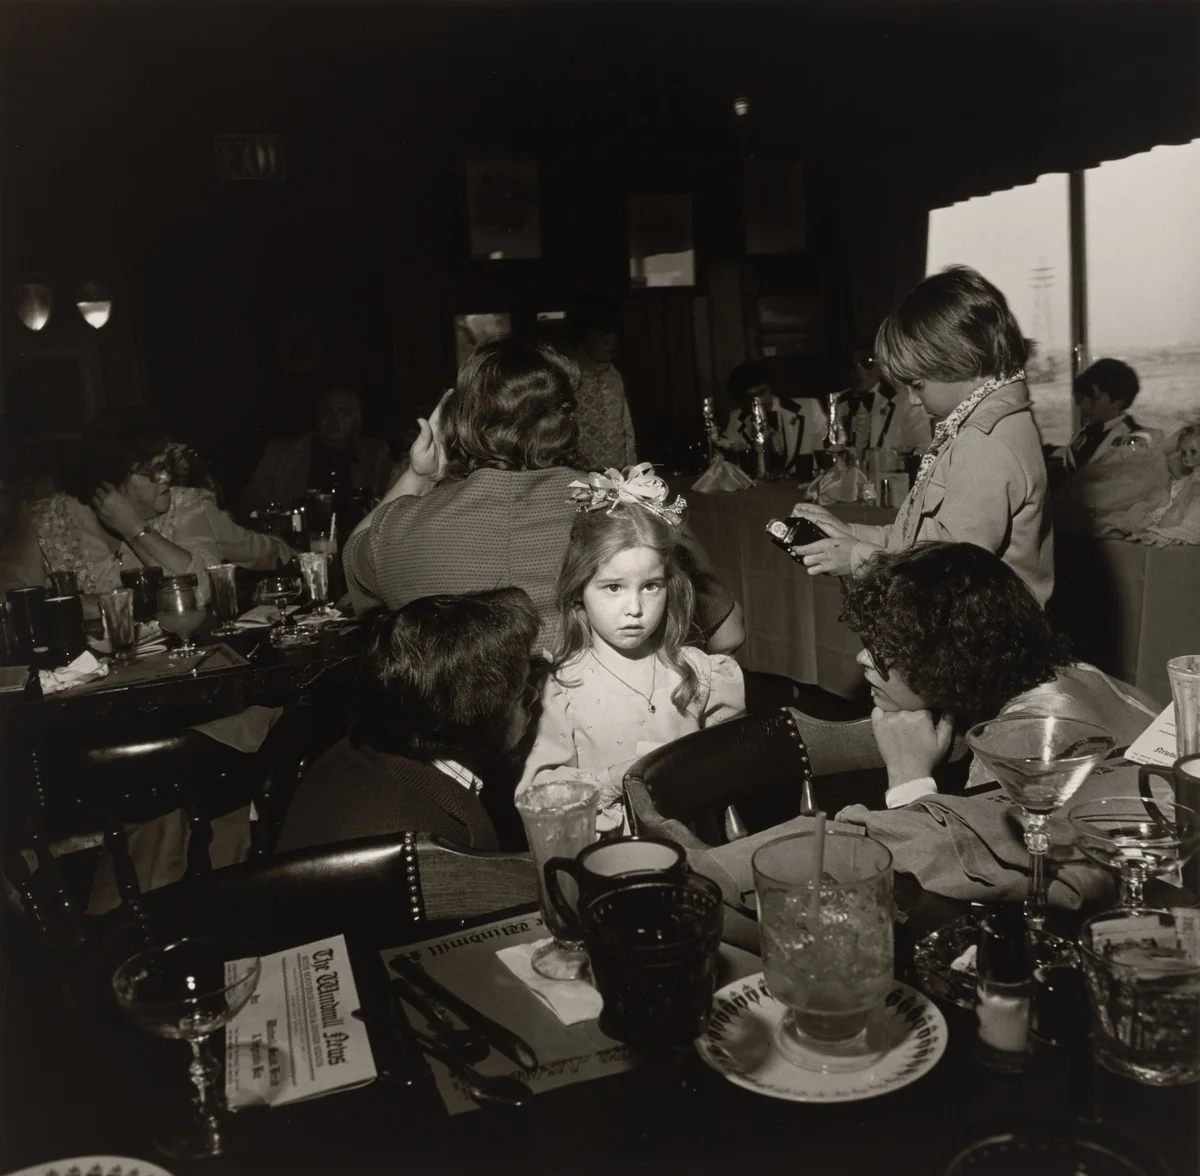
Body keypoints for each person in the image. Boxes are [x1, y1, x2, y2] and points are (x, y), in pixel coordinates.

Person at [343, 336, 744, 654]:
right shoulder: (634, 510)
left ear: (457, 425)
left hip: (458, 734)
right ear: (567, 421)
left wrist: (419, 476)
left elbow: (353, 558)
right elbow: (728, 634)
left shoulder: (396, 529)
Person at [825, 542, 1157, 904]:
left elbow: (972, 879)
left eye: (885, 652)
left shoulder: (1016, 739)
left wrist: (909, 779)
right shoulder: (1080, 674)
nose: (862, 659)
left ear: (946, 662)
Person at [788, 266, 1054, 606]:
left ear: (964, 361)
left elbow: (949, 575)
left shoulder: (983, 442)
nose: (913, 400)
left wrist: (855, 558)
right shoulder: (989, 426)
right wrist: (848, 534)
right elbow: (922, 540)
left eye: (917, 385)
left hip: (977, 633)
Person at [516, 475, 744, 831]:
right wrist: (615, 779)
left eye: (650, 586)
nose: (635, 608)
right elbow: (539, 795)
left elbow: (732, 767)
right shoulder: (562, 688)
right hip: (611, 848)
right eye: (613, 588)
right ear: (579, 591)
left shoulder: (700, 671)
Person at [277, 588, 539, 853]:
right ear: (478, 718)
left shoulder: (345, 755)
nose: (534, 695)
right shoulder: (439, 838)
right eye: (520, 694)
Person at [0, 413, 294, 612]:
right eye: (155, 469)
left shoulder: (184, 506)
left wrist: (134, 528)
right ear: (110, 478)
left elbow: (202, 591)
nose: (167, 478)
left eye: (166, 465)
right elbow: (15, 602)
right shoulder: (44, 519)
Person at [239, 381, 395, 516]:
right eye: (327, 410)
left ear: (357, 420)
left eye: (343, 411)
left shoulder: (375, 454)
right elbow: (248, 506)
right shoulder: (282, 453)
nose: (334, 418)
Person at [564, 296, 637, 472]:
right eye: (602, 333)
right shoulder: (565, 379)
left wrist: (632, 475)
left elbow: (627, 432)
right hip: (578, 478)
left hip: (617, 477)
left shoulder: (614, 376)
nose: (611, 341)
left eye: (614, 334)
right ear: (583, 335)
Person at [1055, 359, 1162, 475]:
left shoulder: (1138, 441)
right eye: (1082, 397)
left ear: (1118, 401)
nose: (1083, 405)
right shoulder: (1080, 437)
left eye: (1093, 398)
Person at [716, 361, 827, 472]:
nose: (760, 400)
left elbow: (827, 451)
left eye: (763, 392)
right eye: (751, 397)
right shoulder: (737, 419)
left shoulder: (808, 408)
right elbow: (728, 455)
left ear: (771, 388)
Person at [825, 337, 932, 453]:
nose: (859, 371)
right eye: (851, 365)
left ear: (881, 366)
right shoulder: (838, 403)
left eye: (867, 363)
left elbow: (923, 448)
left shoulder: (906, 400)